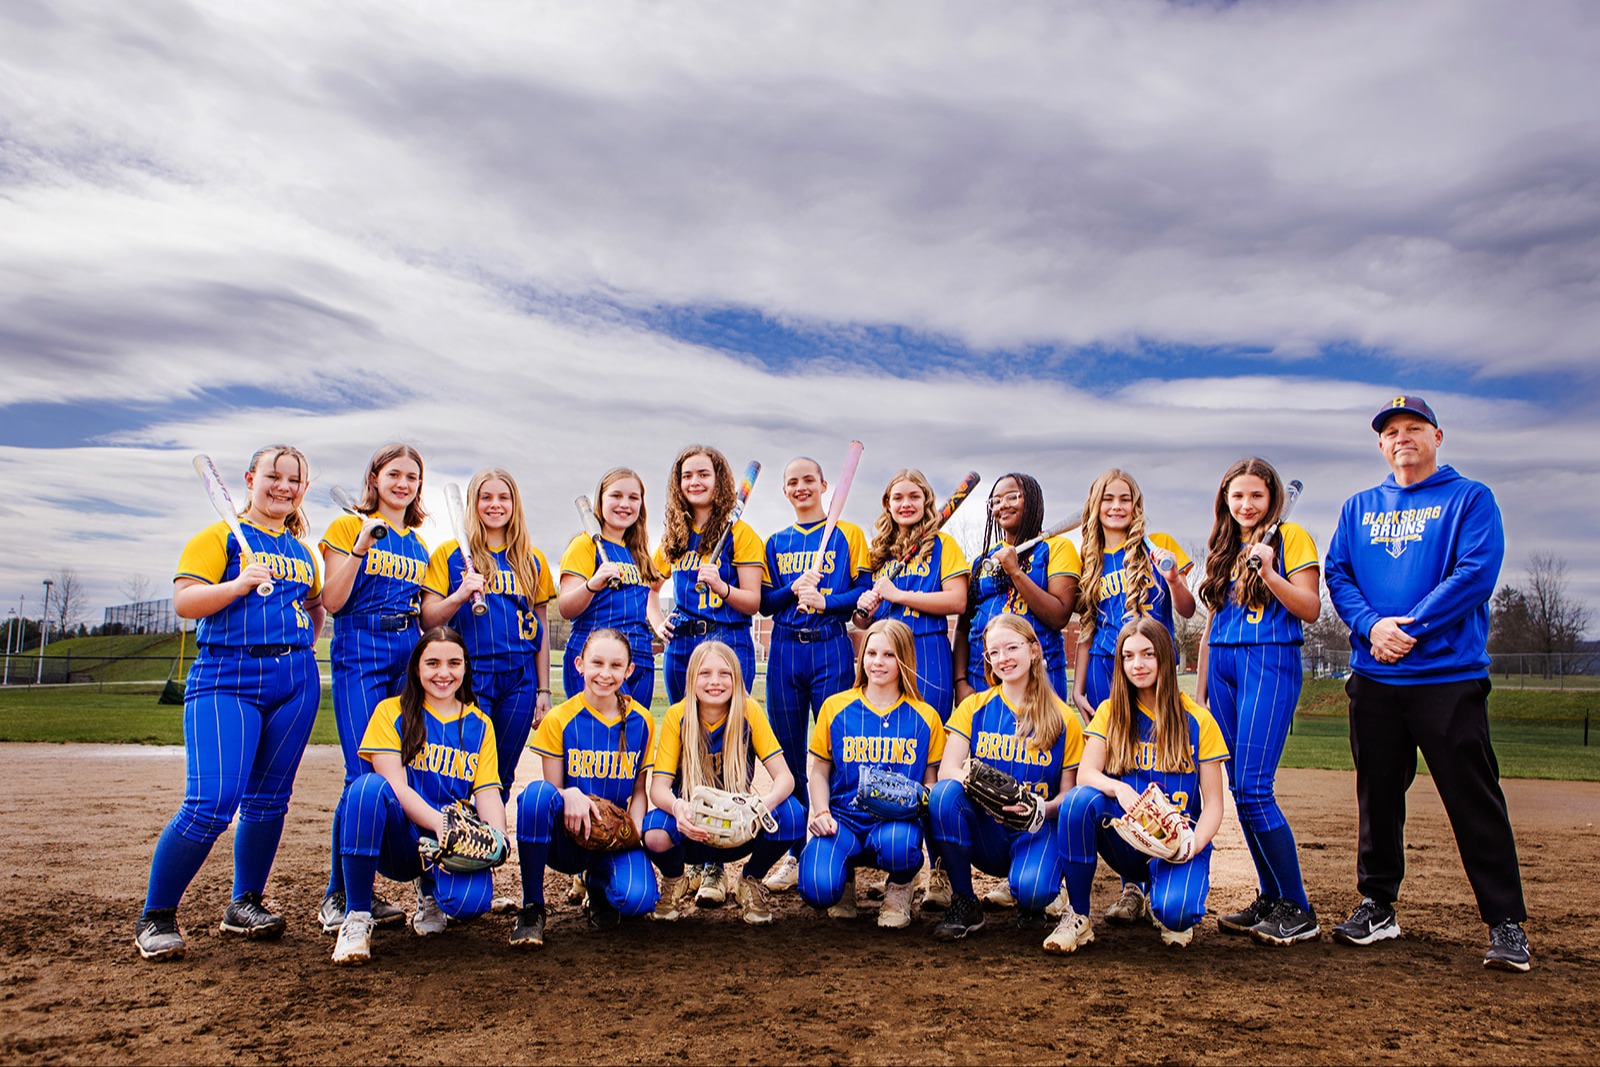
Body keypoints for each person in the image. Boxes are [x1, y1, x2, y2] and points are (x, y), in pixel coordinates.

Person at [1324, 396, 1531, 971]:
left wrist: (1407, 629)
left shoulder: (1470, 498)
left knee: (1473, 796)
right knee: (1378, 795)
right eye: (1391, 431)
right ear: (1380, 444)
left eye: (1414, 427)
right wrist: (1372, 627)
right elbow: (1338, 574)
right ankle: (1378, 905)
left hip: (1447, 677)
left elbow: (1475, 575)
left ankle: (1506, 922)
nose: (1402, 438)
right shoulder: (1359, 507)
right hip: (1375, 677)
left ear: (1437, 437)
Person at [135, 445, 325, 961]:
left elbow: (314, 606)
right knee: (212, 802)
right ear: (249, 479)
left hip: (295, 680)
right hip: (228, 676)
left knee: (270, 799)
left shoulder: (303, 552)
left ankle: (245, 904)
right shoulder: (219, 536)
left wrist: (301, 643)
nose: (283, 487)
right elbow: (185, 601)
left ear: (304, 489)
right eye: (273, 476)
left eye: (294, 480)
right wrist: (238, 584)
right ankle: (156, 915)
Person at [1196, 457, 1323, 945]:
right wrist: (1201, 692)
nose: (1246, 504)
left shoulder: (1290, 538)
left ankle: (1299, 907)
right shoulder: (1225, 546)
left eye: (1256, 495)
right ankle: (1271, 897)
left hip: (1268, 659)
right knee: (1238, 789)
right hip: (1223, 664)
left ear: (1272, 498)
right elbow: (1210, 625)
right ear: (1225, 500)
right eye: (1237, 496)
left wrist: (1269, 572)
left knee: (1254, 788)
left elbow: (1310, 608)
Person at [1047, 618, 1227, 955]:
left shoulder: (1199, 720)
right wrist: (1119, 789)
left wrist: (1193, 845)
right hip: (1126, 840)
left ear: (1165, 657)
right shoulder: (1111, 711)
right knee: (1078, 801)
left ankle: (1162, 901)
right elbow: (1086, 774)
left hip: (1175, 843)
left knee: (1176, 914)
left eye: (1147, 654)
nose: (1137, 664)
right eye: (1128, 656)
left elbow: (1215, 803)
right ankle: (1078, 915)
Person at [329, 628, 507, 965]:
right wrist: (440, 823)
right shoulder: (390, 712)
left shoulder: (480, 723)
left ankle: (431, 894)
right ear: (416, 668)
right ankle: (357, 916)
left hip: (447, 844)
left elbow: (487, 792)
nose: (444, 673)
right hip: (401, 838)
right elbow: (395, 786)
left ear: (465, 667)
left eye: (454, 663)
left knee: (469, 904)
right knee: (365, 790)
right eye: (433, 663)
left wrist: (499, 836)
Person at [1070, 468, 1195, 925]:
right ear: (1096, 506)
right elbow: (1087, 626)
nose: (1116, 507)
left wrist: (1174, 578)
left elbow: (1186, 609)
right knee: (1116, 767)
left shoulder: (1158, 546)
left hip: (1153, 666)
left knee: (1154, 762)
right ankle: (1131, 887)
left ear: (1136, 505)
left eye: (1124, 498)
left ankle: (1160, 868)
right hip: (1107, 666)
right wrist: (1079, 684)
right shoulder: (1088, 557)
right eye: (1108, 499)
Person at [316, 443, 430, 935]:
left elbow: (426, 609)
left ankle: (390, 886)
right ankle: (339, 895)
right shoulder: (348, 527)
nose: (403, 484)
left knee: (410, 764)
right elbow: (332, 600)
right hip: (361, 643)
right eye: (394, 474)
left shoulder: (418, 544)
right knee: (362, 771)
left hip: (408, 647)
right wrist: (361, 546)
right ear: (375, 479)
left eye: (412, 477)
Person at [757, 456, 873, 893]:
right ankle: (795, 850)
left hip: (830, 645)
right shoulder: (775, 542)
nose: (801, 487)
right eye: (793, 481)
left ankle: (840, 852)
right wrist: (793, 589)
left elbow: (864, 592)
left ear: (825, 485)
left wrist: (825, 601)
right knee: (787, 754)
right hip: (786, 648)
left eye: (809, 479)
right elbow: (765, 602)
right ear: (785, 490)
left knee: (837, 751)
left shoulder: (849, 534)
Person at [929, 616, 1084, 941]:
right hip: (987, 827)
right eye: (994, 652)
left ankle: (1033, 900)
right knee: (943, 795)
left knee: (1033, 890)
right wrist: (982, 790)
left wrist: (1041, 808)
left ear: (1034, 650)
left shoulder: (1063, 717)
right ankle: (964, 901)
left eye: (1012, 648)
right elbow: (948, 770)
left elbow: (1068, 796)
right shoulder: (974, 707)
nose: (1004, 658)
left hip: (1034, 829)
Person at [509, 628, 659, 947]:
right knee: (535, 796)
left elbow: (640, 791)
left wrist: (633, 832)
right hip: (569, 839)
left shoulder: (642, 720)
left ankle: (598, 885)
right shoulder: (560, 718)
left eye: (616, 666)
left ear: (629, 670)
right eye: (597, 663)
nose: (605, 674)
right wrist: (569, 793)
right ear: (579, 665)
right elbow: (550, 792)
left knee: (638, 899)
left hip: (614, 839)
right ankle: (532, 907)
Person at [643, 641, 805, 925]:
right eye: (705, 673)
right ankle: (674, 880)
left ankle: (750, 879)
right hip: (693, 830)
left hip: (738, 828)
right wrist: (679, 809)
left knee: (793, 814)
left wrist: (760, 806)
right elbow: (658, 789)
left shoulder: (748, 711)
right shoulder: (677, 715)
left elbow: (785, 778)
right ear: (691, 678)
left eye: (724, 673)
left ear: (737, 678)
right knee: (654, 832)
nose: (715, 681)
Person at [798, 619, 946, 930]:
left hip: (895, 823)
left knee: (900, 848)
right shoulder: (835, 707)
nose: (878, 662)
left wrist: (920, 802)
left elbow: (931, 781)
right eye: (871, 653)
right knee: (817, 887)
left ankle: (900, 885)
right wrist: (821, 812)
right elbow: (819, 772)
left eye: (889, 655)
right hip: (844, 819)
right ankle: (843, 881)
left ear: (904, 659)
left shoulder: (926, 716)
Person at [421, 468, 555, 800]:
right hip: (470, 675)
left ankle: (490, 832)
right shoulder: (450, 554)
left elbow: (540, 631)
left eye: (503, 497)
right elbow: (428, 620)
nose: (495, 504)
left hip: (520, 679)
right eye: (486, 497)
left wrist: (543, 690)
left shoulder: (533, 559)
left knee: (502, 774)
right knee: (464, 769)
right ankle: (457, 831)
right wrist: (459, 595)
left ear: (514, 503)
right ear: (473, 503)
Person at [854, 469, 970, 722]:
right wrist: (864, 612)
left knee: (928, 729)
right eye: (898, 498)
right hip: (884, 651)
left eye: (914, 496)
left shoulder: (943, 544)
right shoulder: (877, 551)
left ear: (926, 500)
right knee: (885, 730)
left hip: (927, 649)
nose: (906, 504)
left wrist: (899, 595)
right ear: (888, 504)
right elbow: (862, 622)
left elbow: (958, 600)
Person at [653, 445, 764, 705]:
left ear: (718, 480)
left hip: (728, 639)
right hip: (680, 644)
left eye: (703, 474)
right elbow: (649, 589)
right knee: (683, 722)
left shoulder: (741, 534)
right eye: (687, 476)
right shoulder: (675, 536)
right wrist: (658, 623)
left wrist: (721, 587)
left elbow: (753, 602)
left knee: (731, 724)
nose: (695, 482)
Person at [955, 472, 1079, 703]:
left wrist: (1015, 572)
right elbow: (962, 628)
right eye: (996, 501)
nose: (1003, 505)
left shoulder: (1057, 548)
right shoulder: (982, 560)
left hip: (1039, 675)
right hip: (981, 677)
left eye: (1012, 497)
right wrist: (960, 682)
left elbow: (1059, 616)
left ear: (1031, 500)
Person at [558, 467, 665, 708]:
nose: (624, 504)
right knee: (600, 730)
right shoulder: (584, 545)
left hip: (639, 659)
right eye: (616, 496)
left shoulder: (639, 552)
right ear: (601, 500)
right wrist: (592, 584)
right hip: (598, 657)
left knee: (635, 730)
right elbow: (565, 608)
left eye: (633, 498)